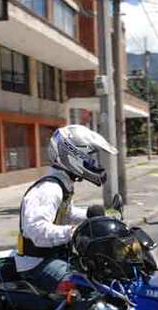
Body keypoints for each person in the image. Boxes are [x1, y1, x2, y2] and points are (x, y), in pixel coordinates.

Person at [16, 125, 117, 293]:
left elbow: (66, 214)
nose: (93, 163)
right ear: (73, 155)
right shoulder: (49, 189)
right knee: (86, 290)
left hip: (54, 255)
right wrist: (73, 233)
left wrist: (99, 218)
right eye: (89, 158)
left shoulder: (63, 183)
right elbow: (36, 231)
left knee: (101, 274)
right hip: (37, 263)